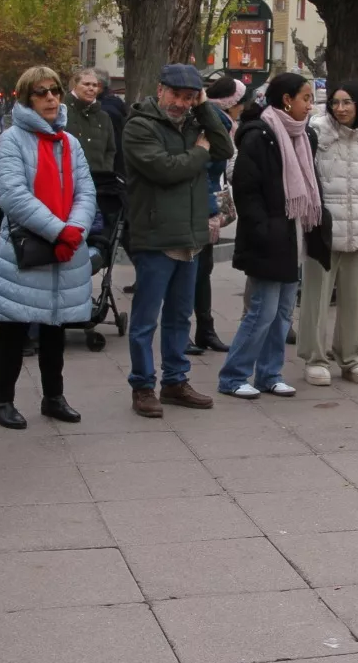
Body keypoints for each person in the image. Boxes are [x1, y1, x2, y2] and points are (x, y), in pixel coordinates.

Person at [122, 64, 234, 417]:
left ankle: (174, 381)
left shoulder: (194, 122)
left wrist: (204, 109)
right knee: (145, 319)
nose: (181, 103)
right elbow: (166, 170)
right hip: (155, 235)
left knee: (179, 317)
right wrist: (198, 153)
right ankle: (143, 386)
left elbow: (224, 148)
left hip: (190, 234)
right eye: (176, 95)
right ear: (160, 89)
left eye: (189, 97)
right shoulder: (140, 126)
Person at [0, 66, 94, 430]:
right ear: (26, 98)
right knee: (14, 328)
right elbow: (13, 195)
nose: (51, 98)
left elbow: (86, 192)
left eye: (55, 91)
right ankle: (2, 401)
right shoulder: (13, 139)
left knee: (55, 325)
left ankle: (53, 396)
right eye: (41, 92)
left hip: (66, 248)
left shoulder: (69, 142)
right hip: (25, 247)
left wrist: (74, 230)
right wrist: (58, 231)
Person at [219, 74, 316, 397]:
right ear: (287, 99)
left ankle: (270, 373)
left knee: (283, 312)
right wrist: (264, 230)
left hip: (291, 234)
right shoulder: (260, 134)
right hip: (268, 237)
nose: (310, 105)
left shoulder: (301, 135)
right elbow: (247, 189)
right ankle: (233, 376)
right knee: (262, 311)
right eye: (305, 97)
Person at [300, 82, 358, 385]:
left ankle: (352, 357)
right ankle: (315, 358)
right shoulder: (317, 132)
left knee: (353, 299)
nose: (341, 108)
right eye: (335, 102)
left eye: (347, 102)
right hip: (322, 229)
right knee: (316, 297)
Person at [188, 74, 244, 356]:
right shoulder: (215, 121)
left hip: (208, 201)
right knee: (195, 270)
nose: (242, 107)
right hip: (202, 201)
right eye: (240, 102)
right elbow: (212, 165)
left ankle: (203, 329)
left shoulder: (220, 120)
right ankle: (195, 330)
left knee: (202, 269)